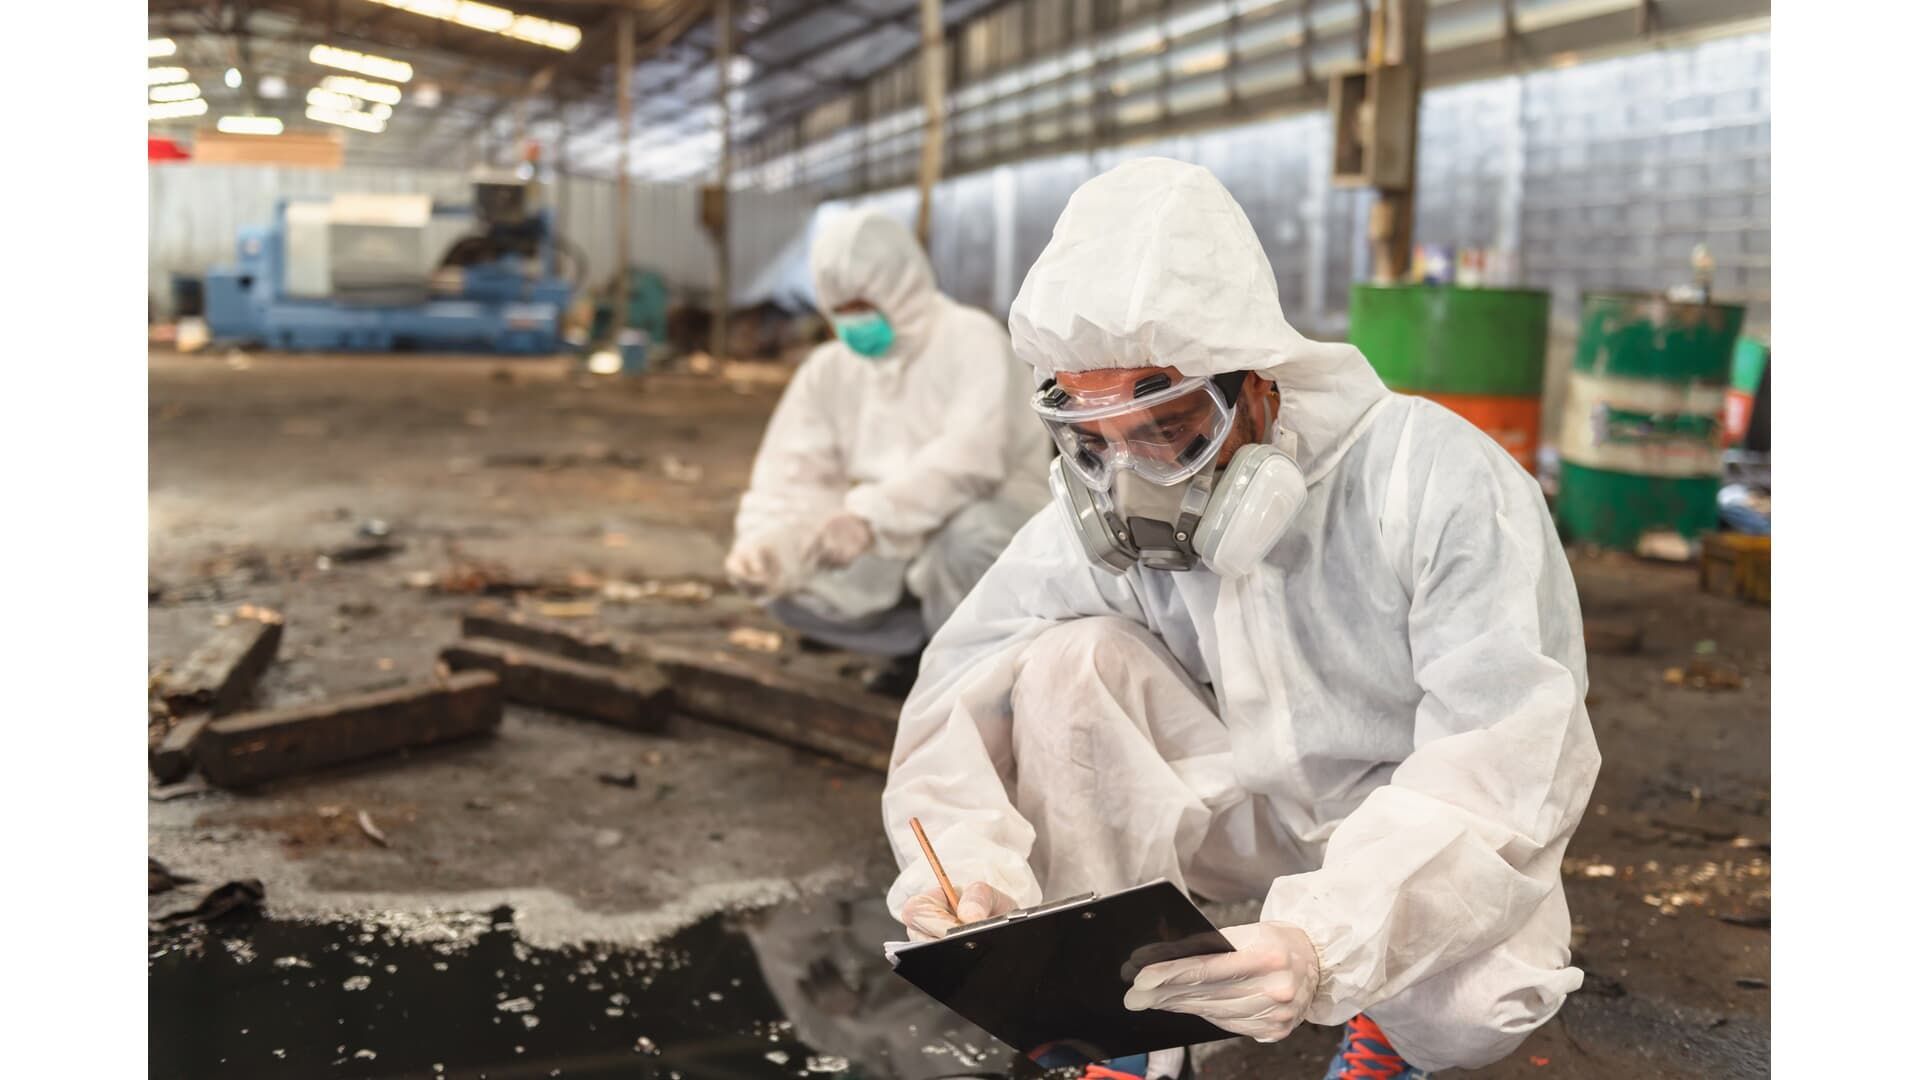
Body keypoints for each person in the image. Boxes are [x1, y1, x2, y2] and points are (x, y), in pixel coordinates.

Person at [881, 158, 1601, 1080]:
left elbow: (1506, 763)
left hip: (1408, 821)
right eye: (1091, 440)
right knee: (1065, 665)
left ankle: (1383, 1030)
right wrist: (970, 867)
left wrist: (1324, 941)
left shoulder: (1436, 481)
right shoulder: (1094, 513)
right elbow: (961, 685)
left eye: (1166, 426)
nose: (1131, 477)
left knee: (1483, 996)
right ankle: (1124, 1028)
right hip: (1242, 811)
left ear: (1257, 385)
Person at [724, 208, 1051, 694]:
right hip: (896, 524)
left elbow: (971, 459)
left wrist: (870, 517)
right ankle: (919, 653)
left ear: (900, 286)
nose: (853, 321)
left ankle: (990, 677)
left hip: (993, 513)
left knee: (965, 539)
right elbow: (795, 469)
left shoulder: (969, 338)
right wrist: (768, 540)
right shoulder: (832, 368)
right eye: (841, 309)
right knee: (790, 577)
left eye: (863, 303)